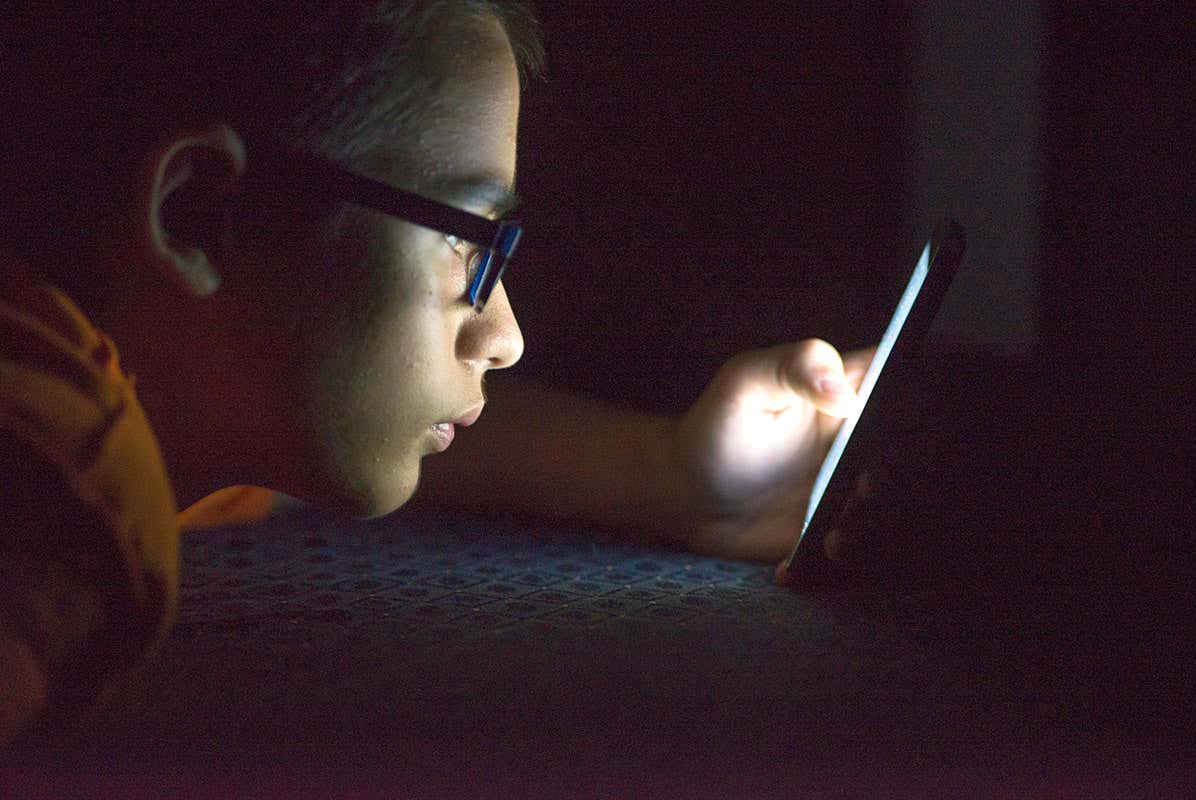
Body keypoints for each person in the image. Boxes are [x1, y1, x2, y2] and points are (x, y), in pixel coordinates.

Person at [0, 1, 870, 747]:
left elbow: (350, 405)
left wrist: (669, 476)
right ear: (198, 214)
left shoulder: (162, 381)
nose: (506, 337)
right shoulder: (59, 479)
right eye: (470, 246)